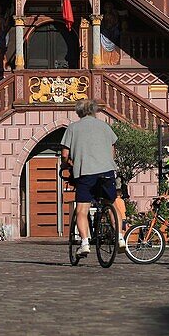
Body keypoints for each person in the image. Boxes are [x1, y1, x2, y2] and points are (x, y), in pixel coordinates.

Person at [59, 99, 126, 259]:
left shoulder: (73, 128)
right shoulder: (104, 126)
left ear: (79, 112)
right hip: (107, 171)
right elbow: (112, 150)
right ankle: (120, 237)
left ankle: (84, 243)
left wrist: (67, 164)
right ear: (94, 111)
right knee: (111, 203)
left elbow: (65, 154)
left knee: (82, 209)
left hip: (85, 172)